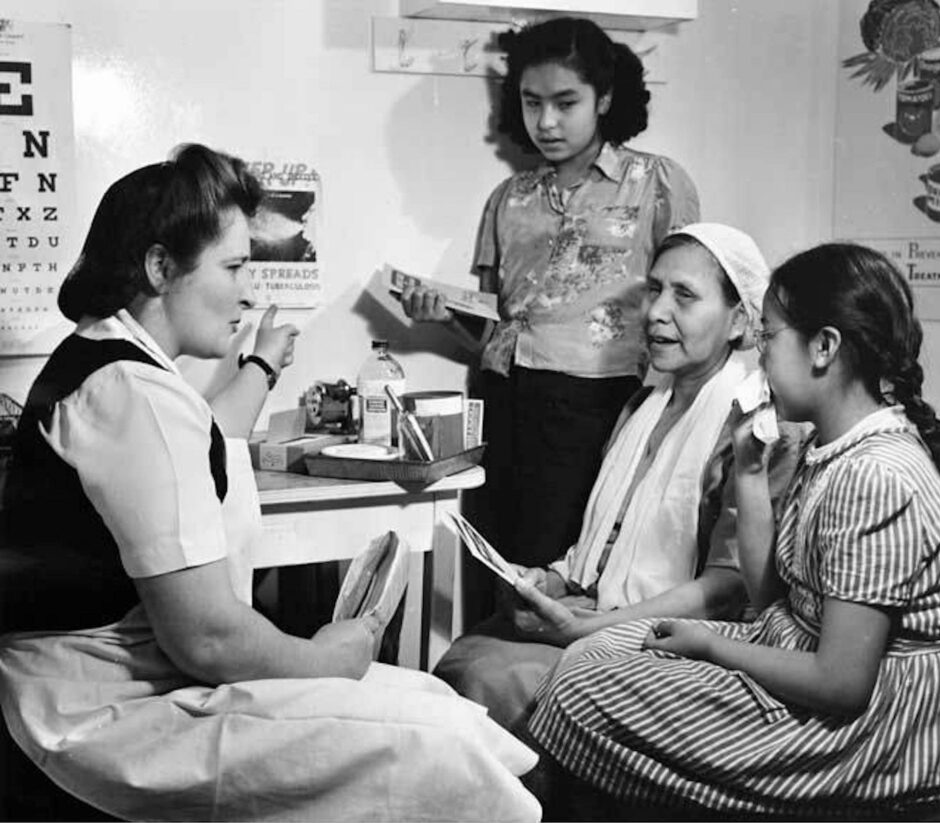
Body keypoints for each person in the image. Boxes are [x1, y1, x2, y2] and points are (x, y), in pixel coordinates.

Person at [0, 144, 541, 822]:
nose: (248, 288)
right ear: (161, 266)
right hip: (101, 713)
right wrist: (329, 658)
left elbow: (207, 441)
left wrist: (260, 359)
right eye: (232, 266)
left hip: (86, 685)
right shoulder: (131, 394)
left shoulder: (104, 361)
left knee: (440, 709)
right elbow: (208, 641)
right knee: (441, 749)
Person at [525, 242, 940, 819]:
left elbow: (840, 683)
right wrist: (750, 473)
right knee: (593, 651)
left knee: (582, 694)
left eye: (770, 335)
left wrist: (711, 645)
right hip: (800, 653)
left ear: (824, 347)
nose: (758, 351)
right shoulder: (831, 447)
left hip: (877, 731)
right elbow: (769, 599)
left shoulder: (877, 475)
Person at [433, 223, 805, 732]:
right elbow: (607, 541)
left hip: (681, 635)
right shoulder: (642, 405)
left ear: (739, 320)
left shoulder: (754, 429)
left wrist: (587, 626)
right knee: (464, 662)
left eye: (685, 296)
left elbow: (726, 590)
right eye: (654, 289)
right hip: (597, 608)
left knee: (489, 681)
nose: (655, 311)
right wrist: (553, 580)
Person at [400, 18, 701, 595]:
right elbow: (497, 328)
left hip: (598, 404)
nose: (546, 122)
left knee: (560, 576)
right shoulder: (509, 198)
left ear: (605, 98)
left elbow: (690, 299)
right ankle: (480, 683)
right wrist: (441, 316)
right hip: (503, 400)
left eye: (566, 103)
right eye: (532, 103)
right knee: (490, 564)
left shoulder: (656, 183)